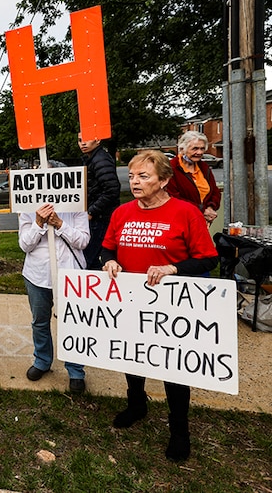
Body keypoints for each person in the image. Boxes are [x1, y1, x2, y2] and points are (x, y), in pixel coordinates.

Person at [100, 150, 218, 462]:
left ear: (164, 180)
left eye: (143, 176)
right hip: (131, 301)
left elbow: (208, 257)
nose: (134, 181)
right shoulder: (122, 212)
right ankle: (136, 404)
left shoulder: (186, 212)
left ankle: (180, 431)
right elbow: (107, 247)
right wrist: (110, 261)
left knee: (173, 370)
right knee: (133, 358)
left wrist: (173, 269)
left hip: (171, 308)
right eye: (132, 176)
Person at [19, 204, 89, 392]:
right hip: (38, 275)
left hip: (70, 274)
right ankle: (42, 360)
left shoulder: (77, 205)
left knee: (73, 323)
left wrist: (60, 224)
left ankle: (75, 370)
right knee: (39, 322)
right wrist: (38, 223)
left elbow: (83, 241)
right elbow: (25, 245)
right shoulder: (27, 208)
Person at [78, 133, 120, 270]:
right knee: (92, 259)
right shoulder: (93, 158)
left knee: (87, 260)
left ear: (98, 140)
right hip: (97, 216)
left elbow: (112, 190)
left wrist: (92, 211)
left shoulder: (100, 160)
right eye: (79, 140)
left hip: (100, 218)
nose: (82, 143)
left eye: (86, 139)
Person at [166, 131, 221, 225]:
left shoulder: (204, 168)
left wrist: (211, 208)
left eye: (202, 149)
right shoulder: (171, 168)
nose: (199, 152)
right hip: (179, 220)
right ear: (182, 149)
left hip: (202, 220)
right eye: (195, 149)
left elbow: (215, 191)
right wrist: (202, 210)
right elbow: (173, 198)